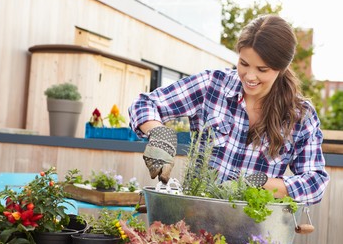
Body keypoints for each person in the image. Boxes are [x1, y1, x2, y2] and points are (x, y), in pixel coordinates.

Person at [128, 14, 330, 205]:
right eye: (244, 63)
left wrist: (256, 184)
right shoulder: (212, 85)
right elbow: (145, 103)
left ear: (282, 68)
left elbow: (316, 183)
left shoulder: (300, 115)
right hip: (195, 219)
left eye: (262, 70)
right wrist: (159, 133)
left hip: (253, 230)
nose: (250, 76)